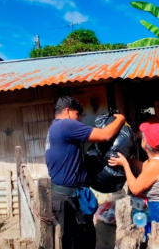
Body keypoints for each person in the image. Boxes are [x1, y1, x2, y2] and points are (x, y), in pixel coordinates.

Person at [45, 96, 125, 249]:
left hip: (64, 195)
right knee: (77, 242)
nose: (78, 121)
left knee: (81, 239)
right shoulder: (65, 125)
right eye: (77, 115)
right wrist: (120, 119)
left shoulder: (53, 129)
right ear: (68, 111)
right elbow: (105, 135)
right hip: (68, 199)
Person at [109, 122, 159, 249]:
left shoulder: (155, 165)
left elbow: (135, 188)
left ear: (145, 143)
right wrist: (131, 161)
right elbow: (146, 169)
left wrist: (125, 165)